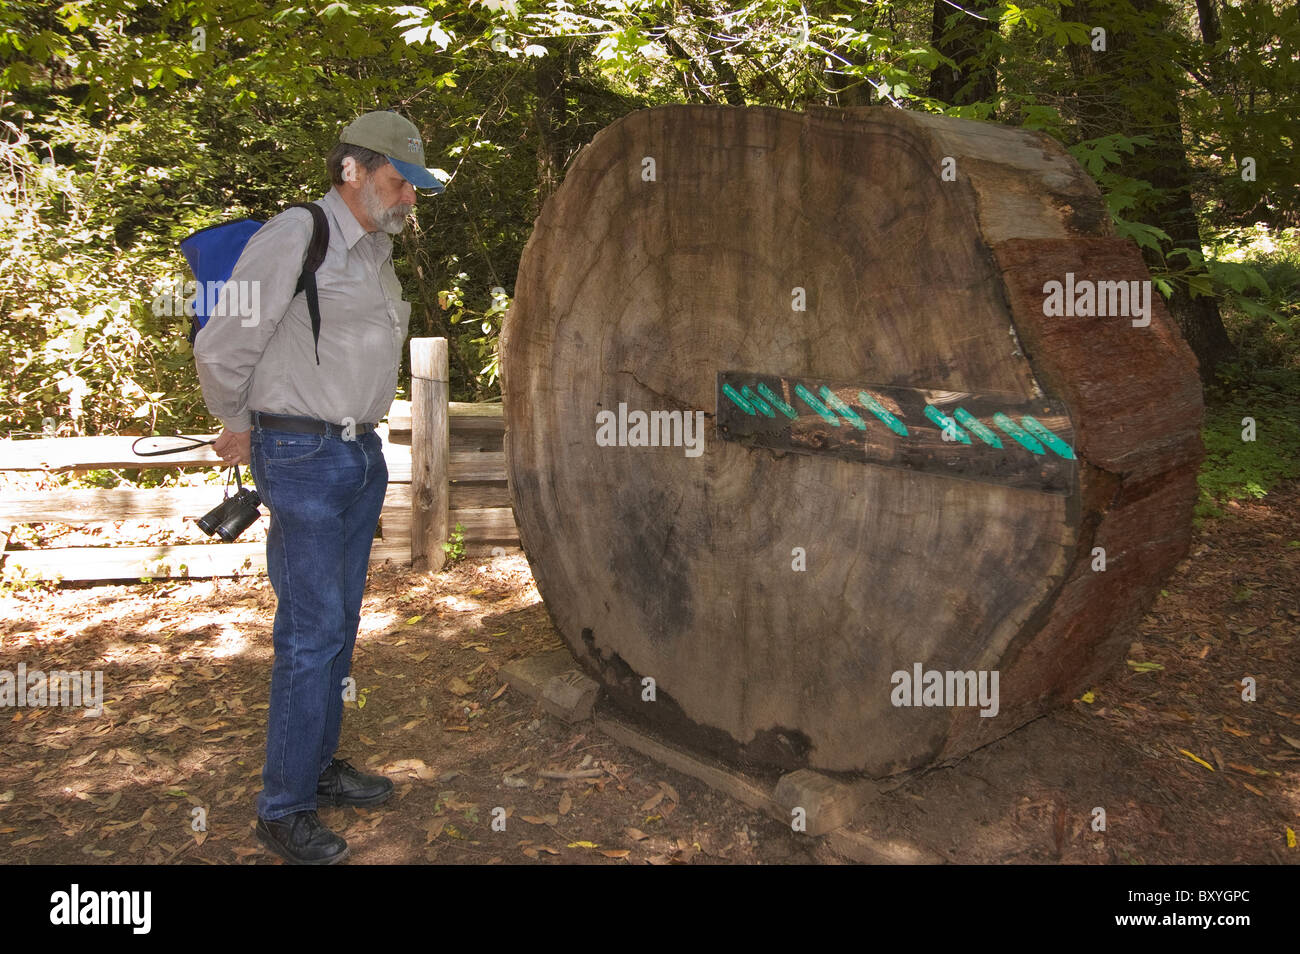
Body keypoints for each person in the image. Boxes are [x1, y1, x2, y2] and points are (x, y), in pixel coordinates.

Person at [194, 111, 443, 865]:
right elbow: (224, 340)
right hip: (301, 455)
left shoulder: (374, 252)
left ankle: (318, 768)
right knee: (311, 633)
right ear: (353, 171)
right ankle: (283, 807)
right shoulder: (295, 235)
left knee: (340, 625)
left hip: (358, 456)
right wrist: (238, 420)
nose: (409, 199)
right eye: (400, 182)